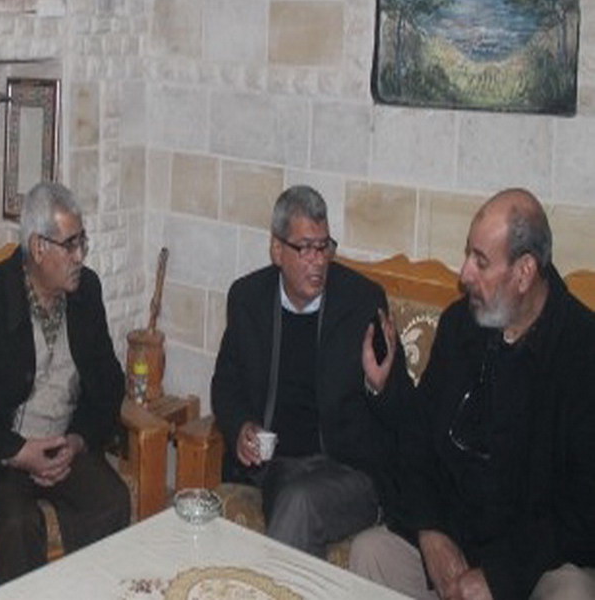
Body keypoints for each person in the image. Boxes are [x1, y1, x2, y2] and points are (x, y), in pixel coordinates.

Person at [349, 189, 595, 600]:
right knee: (372, 552)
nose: (464, 274)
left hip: (534, 564)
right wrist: (430, 532)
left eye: (480, 261)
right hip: (456, 540)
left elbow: (584, 509)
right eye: (468, 255)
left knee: (573, 592)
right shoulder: (460, 325)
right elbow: (419, 442)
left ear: (524, 272)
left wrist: (499, 576)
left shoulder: (582, 350)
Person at [0, 182, 130, 585]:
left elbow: (109, 383)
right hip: (6, 455)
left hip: (66, 446)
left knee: (112, 501)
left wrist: (78, 440)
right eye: (70, 245)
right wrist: (17, 451)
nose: (80, 256)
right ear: (38, 247)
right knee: (18, 524)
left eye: (82, 242)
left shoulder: (86, 292)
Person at [210, 185, 412, 558]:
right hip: (275, 466)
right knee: (289, 495)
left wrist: (379, 386)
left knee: (298, 502)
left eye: (324, 247)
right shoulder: (248, 298)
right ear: (277, 250)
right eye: (305, 248)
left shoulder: (362, 302)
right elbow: (226, 382)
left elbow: (406, 412)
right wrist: (240, 427)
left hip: (348, 471)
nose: (318, 262)